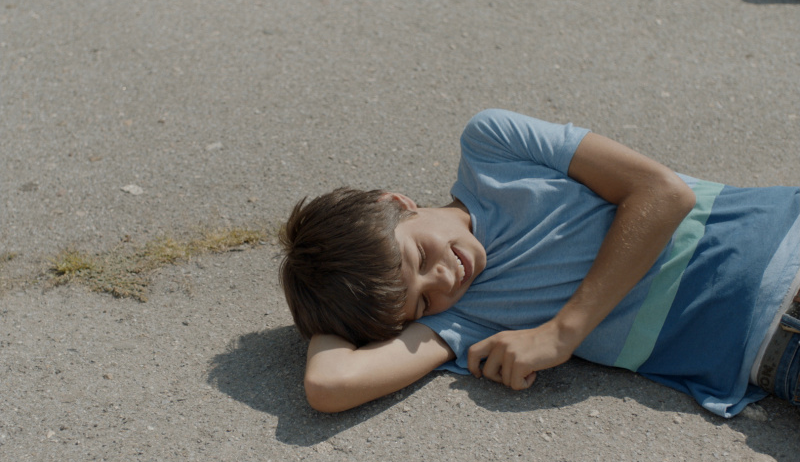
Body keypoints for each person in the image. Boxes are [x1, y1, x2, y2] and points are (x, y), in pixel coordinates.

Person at [279, 109, 800, 417]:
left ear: (397, 203)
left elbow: (664, 194)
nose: (444, 279)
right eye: (420, 302)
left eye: (418, 256)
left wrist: (562, 332)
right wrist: (337, 312)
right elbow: (330, 384)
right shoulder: (461, 319)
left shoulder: (492, 148)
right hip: (780, 353)